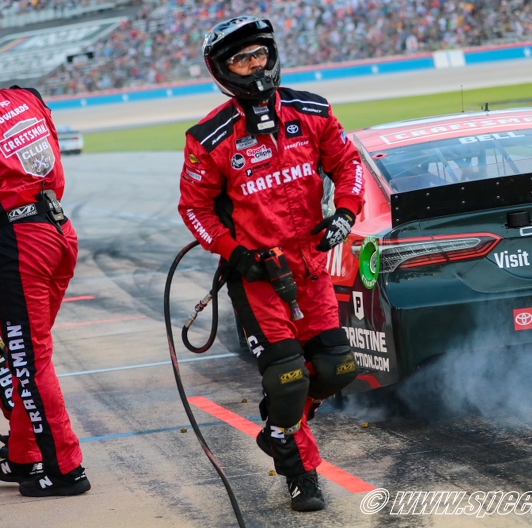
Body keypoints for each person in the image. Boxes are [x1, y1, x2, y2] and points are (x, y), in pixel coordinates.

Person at [178, 16, 363, 512]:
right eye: (241, 59)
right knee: (287, 379)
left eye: (258, 54)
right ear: (222, 70)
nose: (253, 66)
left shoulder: (313, 110)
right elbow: (192, 209)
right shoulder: (209, 137)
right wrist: (236, 254)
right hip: (257, 279)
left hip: (310, 267)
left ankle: (279, 429)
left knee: (337, 368)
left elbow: (349, 165)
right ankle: (301, 475)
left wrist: (345, 212)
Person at [0, 83, 90, 496]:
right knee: (27, 353)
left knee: (29, 358)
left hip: (18, 242)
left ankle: (65, 470)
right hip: (58, 228)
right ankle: (26, 454)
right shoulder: (24, 97)